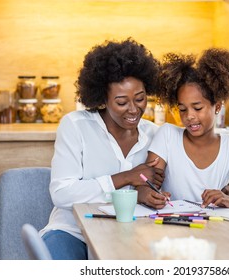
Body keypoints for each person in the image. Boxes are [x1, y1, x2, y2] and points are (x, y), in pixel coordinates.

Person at [40, 38, 166, 260]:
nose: (134, 109)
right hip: (73, 234)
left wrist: (146, 194)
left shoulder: (155, 135)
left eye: (140, 99)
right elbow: (62, 194)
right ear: (102, 99)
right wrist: (127, 177)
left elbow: (159, 190)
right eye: (121, 102)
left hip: (133, 236)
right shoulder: (75, 126)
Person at [143, 48, 229, 209]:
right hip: (172, 226)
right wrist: (153, 195)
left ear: (217, 106)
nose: (189, 116)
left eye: (197, 108)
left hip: (214, 228)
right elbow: (146, 183)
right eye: (182, 109)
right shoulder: (167, 135)